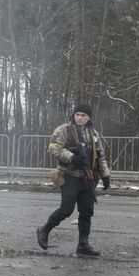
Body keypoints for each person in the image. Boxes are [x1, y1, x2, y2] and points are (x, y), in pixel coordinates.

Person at [37, 103, 111, 256]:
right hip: (69, 176)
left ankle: (83, 245)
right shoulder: (64, 130)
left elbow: (100, 156)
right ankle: (44, 229)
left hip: (87, 178)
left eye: (83, 115)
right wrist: (71, 158)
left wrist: (105, 175)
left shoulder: (93, 134)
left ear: (89, 117)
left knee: (86, 211)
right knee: (66, 209)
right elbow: (54, 147)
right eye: (77, 114)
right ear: (74, 115)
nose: (80, 117)